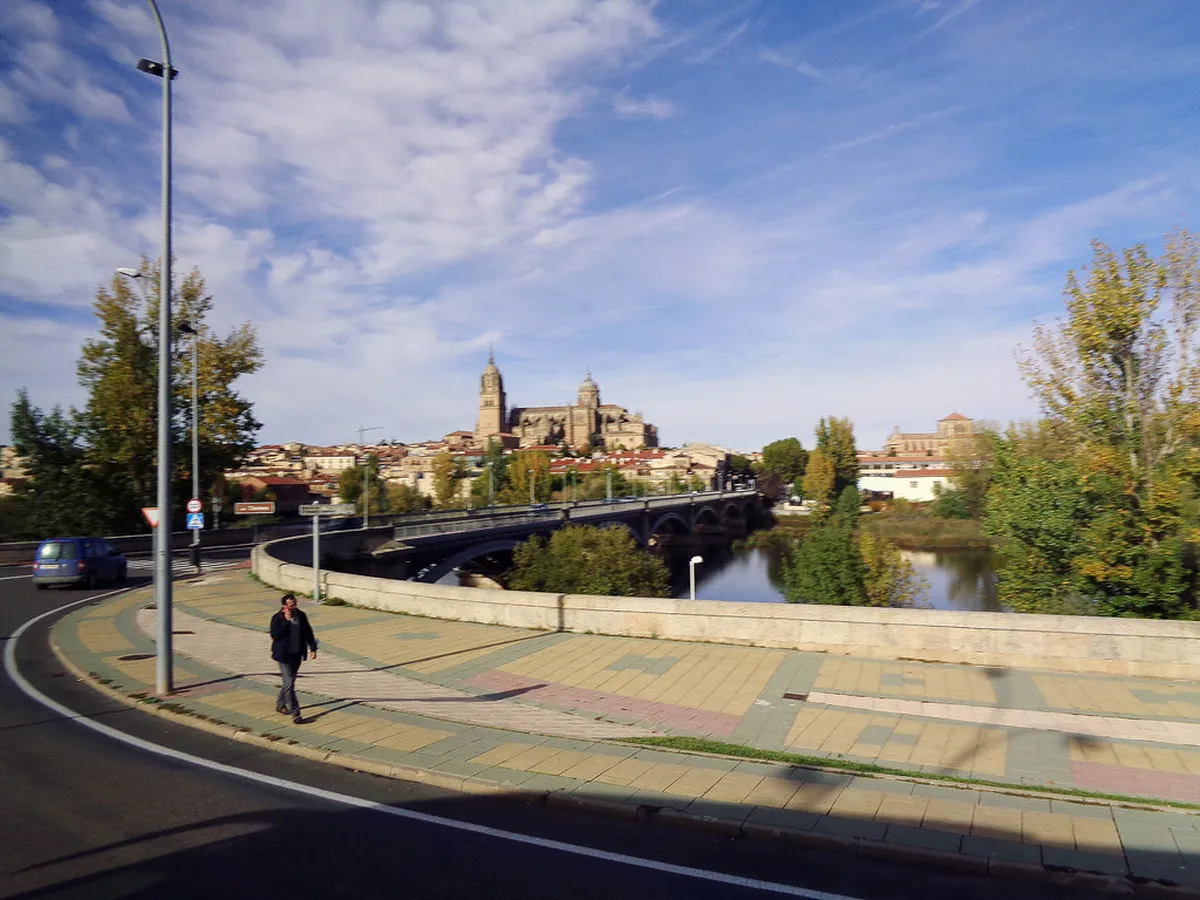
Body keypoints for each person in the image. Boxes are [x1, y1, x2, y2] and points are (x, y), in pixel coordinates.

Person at [269, 592, 317, 723]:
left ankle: (280, 704)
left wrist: (313, 648)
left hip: (297, 654)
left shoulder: (301, 615)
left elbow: (308, 632)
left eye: (294, 604)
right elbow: (275, 635)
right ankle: (296, 713)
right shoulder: (277, 618)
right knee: (289, 684)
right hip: (283, 656)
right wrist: (286, 621)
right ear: (284, 606)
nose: (293, 607)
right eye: (290, 605)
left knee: (288, 683)